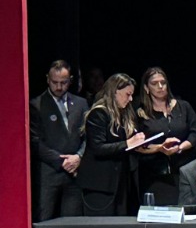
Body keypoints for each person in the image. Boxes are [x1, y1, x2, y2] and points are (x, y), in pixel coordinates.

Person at [79, 73, 154, 216]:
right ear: (115, 92)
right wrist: (128, 142)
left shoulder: (123, 114)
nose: (131, 99)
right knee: (102, 226)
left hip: (119, 182)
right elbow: (97, 148)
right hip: (100, 184)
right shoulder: (99, 114)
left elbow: (127, 145)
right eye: (128, 94)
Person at [133, 67, 196, 206]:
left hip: (184, 171)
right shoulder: (139, 113)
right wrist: (159, 148)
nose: (160, 86)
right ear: (146, 87)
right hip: (154, 175)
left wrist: (181, 147)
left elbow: (195, 133)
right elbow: (136, 144)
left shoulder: (183, 107)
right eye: (154, 83)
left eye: (163, 82)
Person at [30, 60, 89, 219]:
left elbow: (88, 136)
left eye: (63, 82)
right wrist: (61, 161)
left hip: (75, 174)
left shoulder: (81, 103)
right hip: (49, 174)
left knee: (72, 225)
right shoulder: (36, 105)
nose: (58, 87)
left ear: (70, 80)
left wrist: (79, 156)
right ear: (47, 79)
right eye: (54, 82)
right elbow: (34, 141)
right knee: (44, 219)